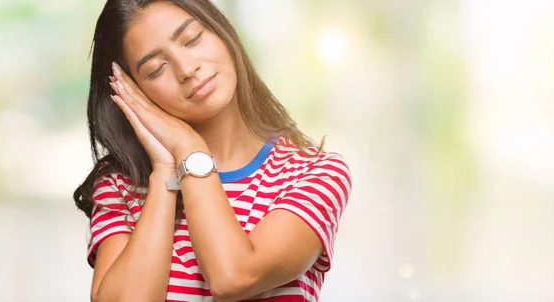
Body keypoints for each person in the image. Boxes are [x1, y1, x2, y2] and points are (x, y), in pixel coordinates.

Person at [73, 1, 352, 301]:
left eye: (192, 39)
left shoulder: (313, 173)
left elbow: (234, 276)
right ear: (134, 91)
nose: (187, 69)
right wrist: (165, 173)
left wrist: (190, 149)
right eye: (155, 69)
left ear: (222, 32)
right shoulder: (120, 188)